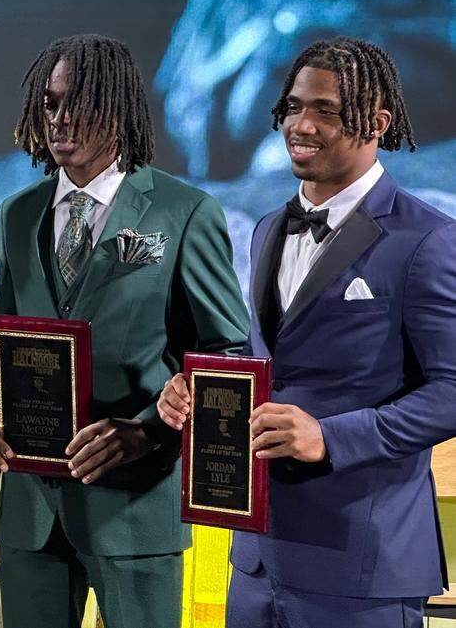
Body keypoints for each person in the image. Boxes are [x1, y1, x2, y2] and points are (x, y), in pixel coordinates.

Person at [158, 37, 456, 628]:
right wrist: (195, 386)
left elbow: (451, 391)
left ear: (377, 122)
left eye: (326, 110)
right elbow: (266, 357)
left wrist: (331, 436)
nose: (302, 124)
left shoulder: (428, 239)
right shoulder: (267, 227)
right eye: (294, 107)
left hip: (363, 565)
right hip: (257, 558)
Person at [0, 34, 248, 628]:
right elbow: (1, 331)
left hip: (136, 508)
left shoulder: (185, 212)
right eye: (49, 104)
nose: (60, 119)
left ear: (117, 110)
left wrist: (147, 433)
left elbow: (226, 355)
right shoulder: (17, 213)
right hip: (31, 513)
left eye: (79, 103)